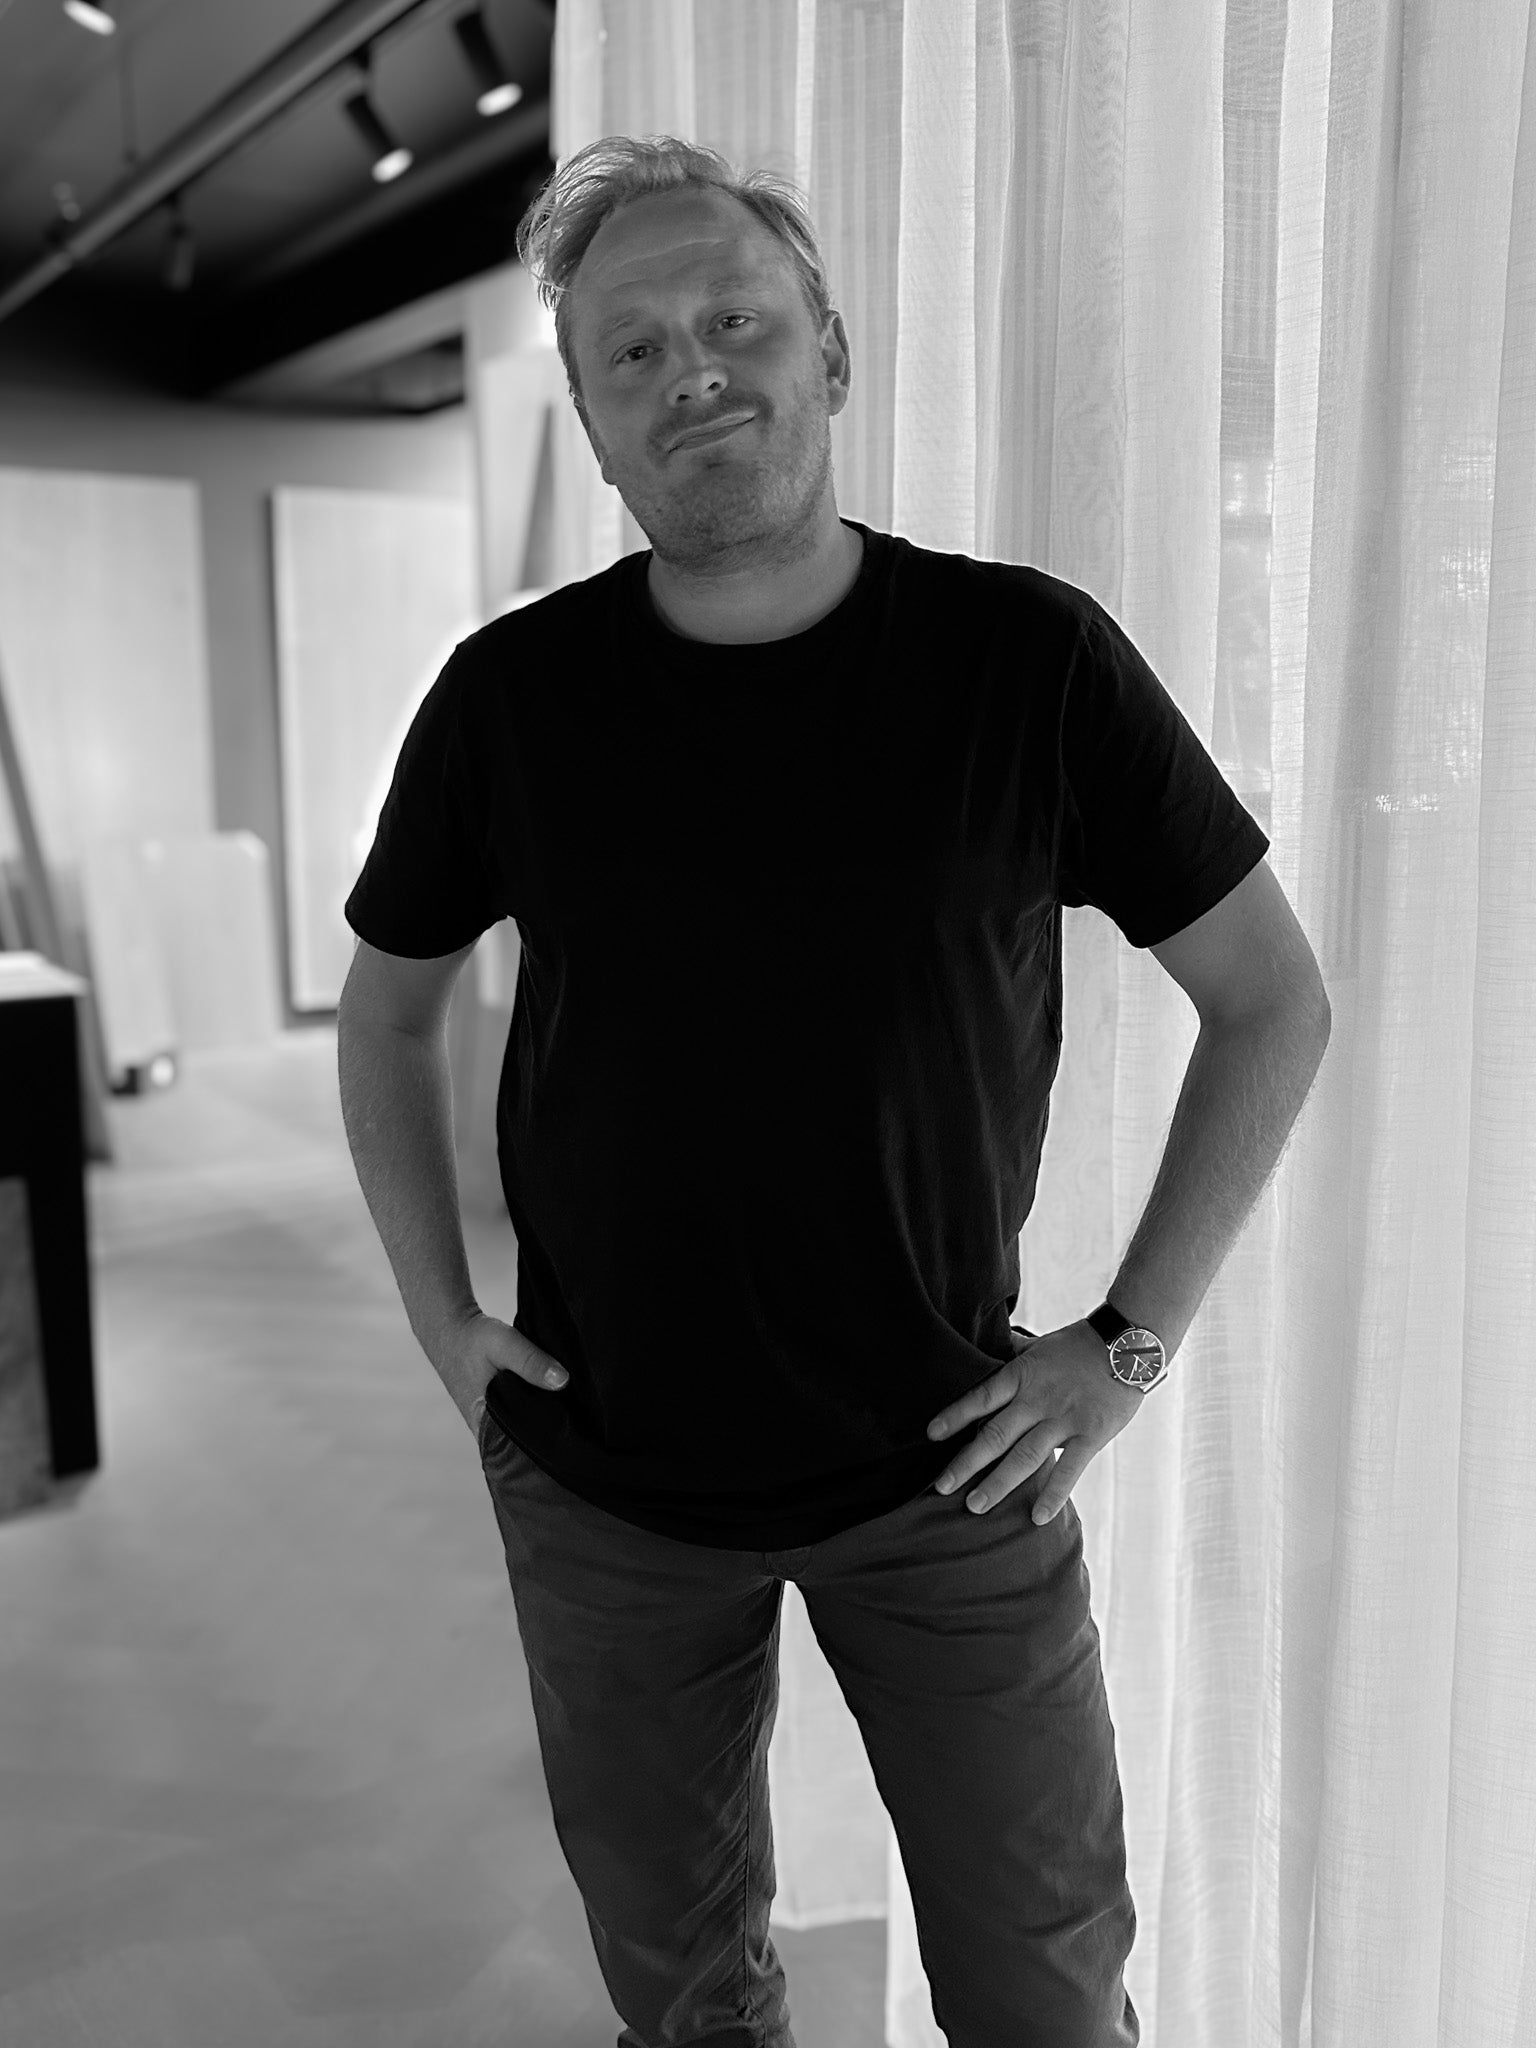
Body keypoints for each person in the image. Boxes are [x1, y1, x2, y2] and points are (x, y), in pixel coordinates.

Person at [337, 136, 1326, 2048]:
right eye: (630, 353)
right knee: (687, 1995)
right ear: (597, 433)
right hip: (608, 1486)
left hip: (951, 1465)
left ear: (829, 353)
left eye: (734, 319)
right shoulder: (510, 700)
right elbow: (385, 1018)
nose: (691, 369)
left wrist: (1123, 1348)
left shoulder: (1023, 661)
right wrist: (442, 1322)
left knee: (1047, 1997)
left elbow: (1271, 1001)